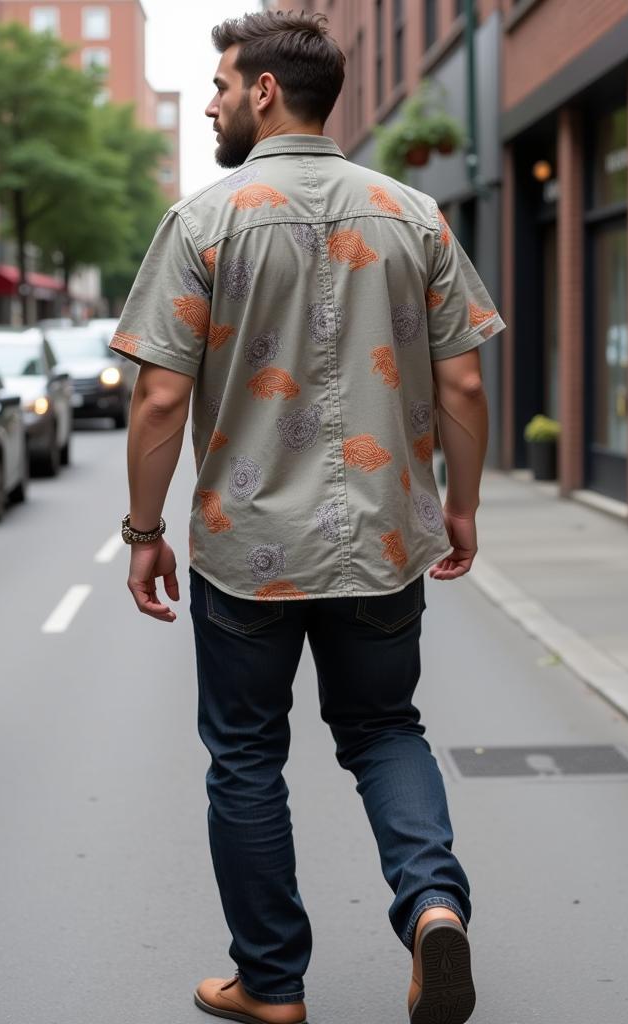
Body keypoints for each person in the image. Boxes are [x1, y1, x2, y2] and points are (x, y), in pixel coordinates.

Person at [109, 11, 504, 1024]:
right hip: (382, 539)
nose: (209, 100)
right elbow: (462, 384)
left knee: (245, 754)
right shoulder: (413, 213)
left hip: (246, 554)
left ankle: (271, 981)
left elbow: (158, 399)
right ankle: (431, 907)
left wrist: (144, 532)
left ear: (266, 93)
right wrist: (459, 504)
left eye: (220, 83)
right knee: (384, 729)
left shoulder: (204, 221)